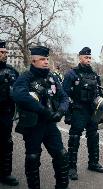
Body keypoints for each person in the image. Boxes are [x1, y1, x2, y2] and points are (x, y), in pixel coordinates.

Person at [12, 45, 69, 189]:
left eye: (47, 59)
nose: (46, 62)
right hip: (33, 125)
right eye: (42, 59)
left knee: (61, 155)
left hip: (50, 125)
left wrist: (61, 111)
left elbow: (64, 97)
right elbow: (19, 95)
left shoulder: (52, 77)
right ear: (33, 61)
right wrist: (43, 110)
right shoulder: (25, 77)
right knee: (33, 158)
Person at [63, 47, 103, 180]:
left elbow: (99, 92)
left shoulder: (94, 74)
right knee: (74, 138)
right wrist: (68, 112)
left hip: (91, 111)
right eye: (85, 57)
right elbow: (64, 94)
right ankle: (71, 168)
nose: (88, 60)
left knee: (93, 136)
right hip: (78, 110)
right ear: (80, 57)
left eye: (89, 57)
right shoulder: (72, 74)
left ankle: (93, 163)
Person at [0, 40, 19, 186]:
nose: (5, 54)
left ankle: (5, 174)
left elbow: (21, 90)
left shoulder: (12, 71)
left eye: (5, 52)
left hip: (6, 114)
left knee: (6, 143)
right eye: (1, 52)